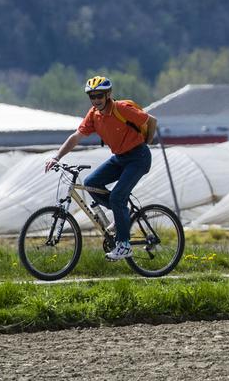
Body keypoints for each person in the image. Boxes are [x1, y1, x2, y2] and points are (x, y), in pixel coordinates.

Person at [45, 75, 157, 261]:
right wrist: (57, 156)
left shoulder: (121, 109)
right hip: (120, 158)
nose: (96, 100)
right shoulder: (94, 115)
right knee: (91, 183)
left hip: (138, 158)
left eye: (99, 95)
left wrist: (147, 143)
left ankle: (124, 245)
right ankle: (123, 214)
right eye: (92, 96)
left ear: (108, 94)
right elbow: (76, 136)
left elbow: (151, 120)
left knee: (117, 197)